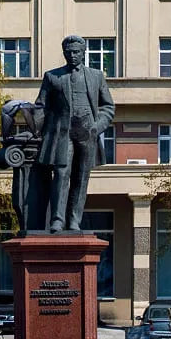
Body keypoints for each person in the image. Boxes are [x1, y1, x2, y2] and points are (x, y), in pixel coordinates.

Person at [29, 35, 115, 235]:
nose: (73, 55)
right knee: (61, 173)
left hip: (86, 131)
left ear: (83, 53)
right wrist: (34, 127)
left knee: (81, 177)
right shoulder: (52, 77)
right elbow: (41, 106)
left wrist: (96, 126)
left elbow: (108, 106)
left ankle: (74, 221)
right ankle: (57, 220)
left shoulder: (96, 76)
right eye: (69, 52)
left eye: (76, 52)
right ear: (64, 53)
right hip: (62, 132)